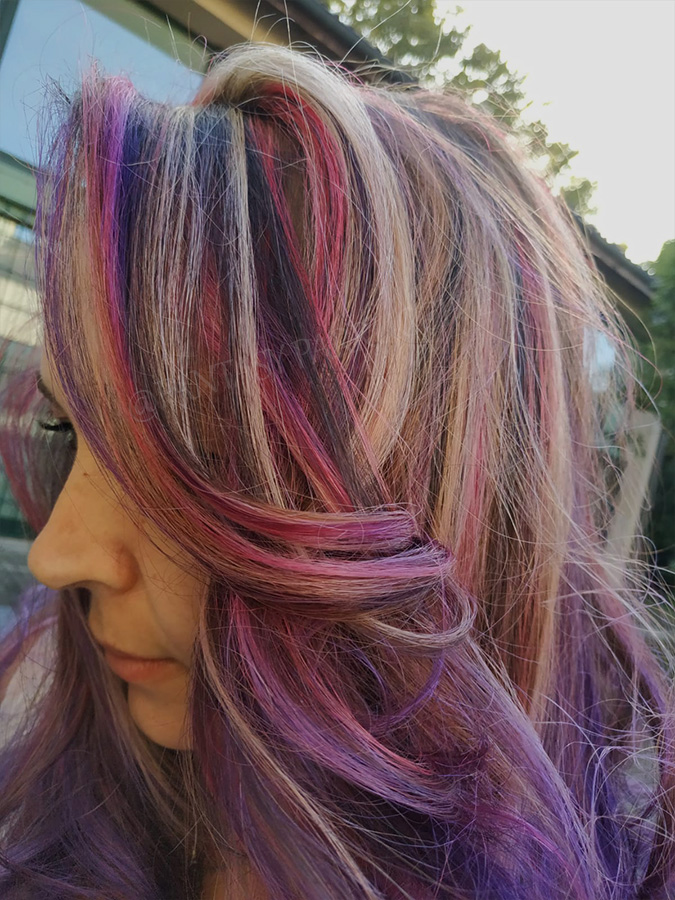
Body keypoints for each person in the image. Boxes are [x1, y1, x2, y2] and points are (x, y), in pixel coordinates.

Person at [0, 40, 673, 900]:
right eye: (66, 426)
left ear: (440, 497)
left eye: (207, 446)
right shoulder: (45, 794)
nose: (56, 555)